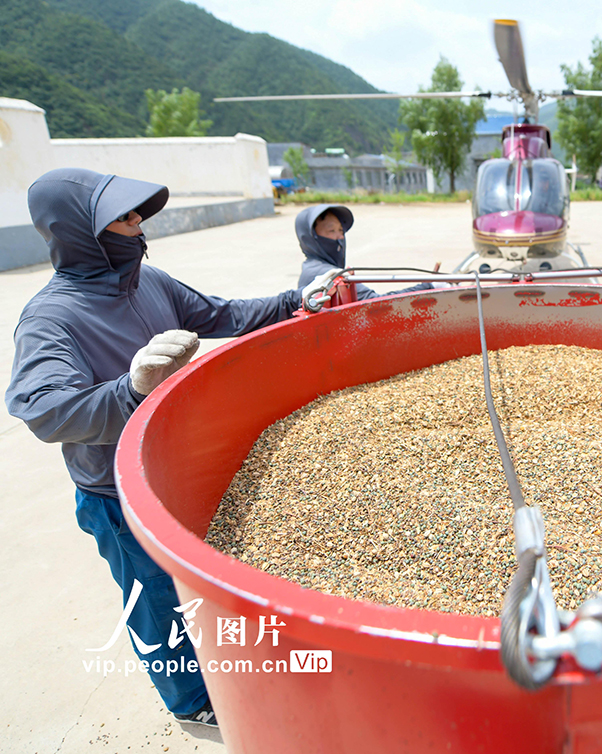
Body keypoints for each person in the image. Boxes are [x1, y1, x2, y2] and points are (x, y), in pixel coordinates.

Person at [5, 168, 322, 729]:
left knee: (194, 588)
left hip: (177, 468)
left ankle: (217, 668)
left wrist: (298, 299)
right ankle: (192, 704)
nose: (138, 226)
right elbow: (43, 408)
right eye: (124, 218)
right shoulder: (52, 316)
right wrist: (129, 390)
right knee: (153, 601)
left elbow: (221, 314)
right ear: (84, 232)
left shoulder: (149, 282)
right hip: (116, 491)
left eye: (137, 215)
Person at [296, 204, 435, 297]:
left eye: (340, 230)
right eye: (331, 230)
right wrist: (429, 287)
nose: (340, 237)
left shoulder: (319, 268)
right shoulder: (322, 274)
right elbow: (374, 303)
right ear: (311, 238)